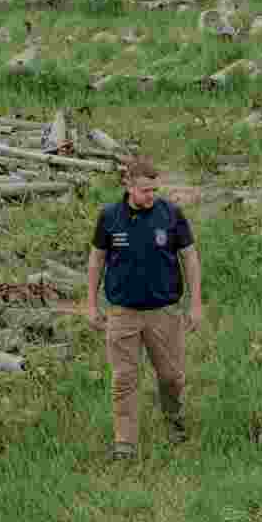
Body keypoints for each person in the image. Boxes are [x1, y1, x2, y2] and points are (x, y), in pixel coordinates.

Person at [86, 156, 203, 461]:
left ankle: (174, 421)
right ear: (128, 185)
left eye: (155, 190)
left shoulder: (172, 215)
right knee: (124, 378)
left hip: (164, 311)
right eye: (145, 191)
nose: (151, 196)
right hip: (122, 313)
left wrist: (196, 303)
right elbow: (97, 259)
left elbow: (189, 257)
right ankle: (125, 444)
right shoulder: (109, 217)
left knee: (171, 377)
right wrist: (90, 304)